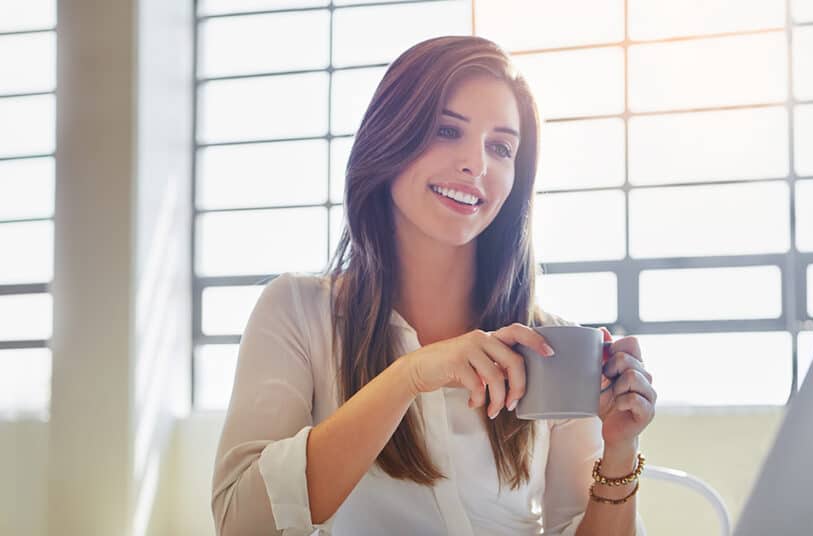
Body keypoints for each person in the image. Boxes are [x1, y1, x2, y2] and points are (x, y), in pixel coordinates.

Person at [211, 35, 657, 536]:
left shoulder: (551, 348)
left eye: (501, 147)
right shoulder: (297, 312)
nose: (477, 165)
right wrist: (409, 377)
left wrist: (620, 451)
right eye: (447, 130)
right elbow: (242, 524)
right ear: (390, 137)